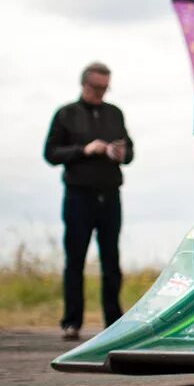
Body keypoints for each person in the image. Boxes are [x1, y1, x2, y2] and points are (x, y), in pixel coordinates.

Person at [44, 62, 134, 341]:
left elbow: (130, 152)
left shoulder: (114, 113)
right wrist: (84, 149)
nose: (101, 93)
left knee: (111, 260)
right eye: (96, 88)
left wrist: (121, 153)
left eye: (105, 88)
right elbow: (51, 153)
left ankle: (113, 320)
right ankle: (72, 321)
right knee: (75, 260)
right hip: (78, 195)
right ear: (84, 84)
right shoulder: (66, 114)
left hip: (109, 194)